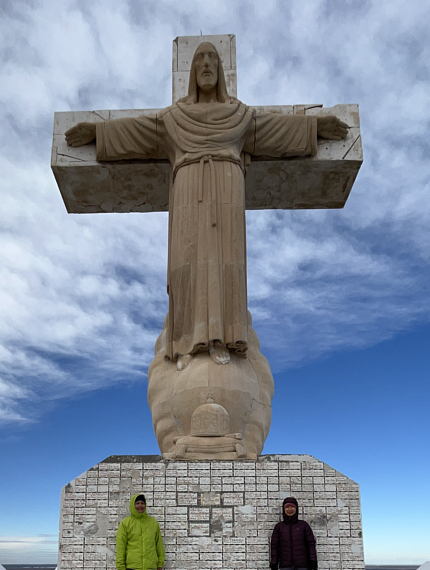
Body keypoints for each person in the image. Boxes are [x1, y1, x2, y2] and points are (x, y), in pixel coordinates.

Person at [65, 42, 349, 369]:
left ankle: (224, 337)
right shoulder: (174, 119)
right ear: (192, 71)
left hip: (227, 193)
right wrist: (98, 132)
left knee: (226, 263)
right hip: (188, 192)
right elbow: (138, 130)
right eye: (199, 58)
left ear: (220, 69)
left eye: (212, 58)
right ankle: (186, 342)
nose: (206, 64)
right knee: (186, 265)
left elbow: (275, 128)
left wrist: (315, 127)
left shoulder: (239, 116)